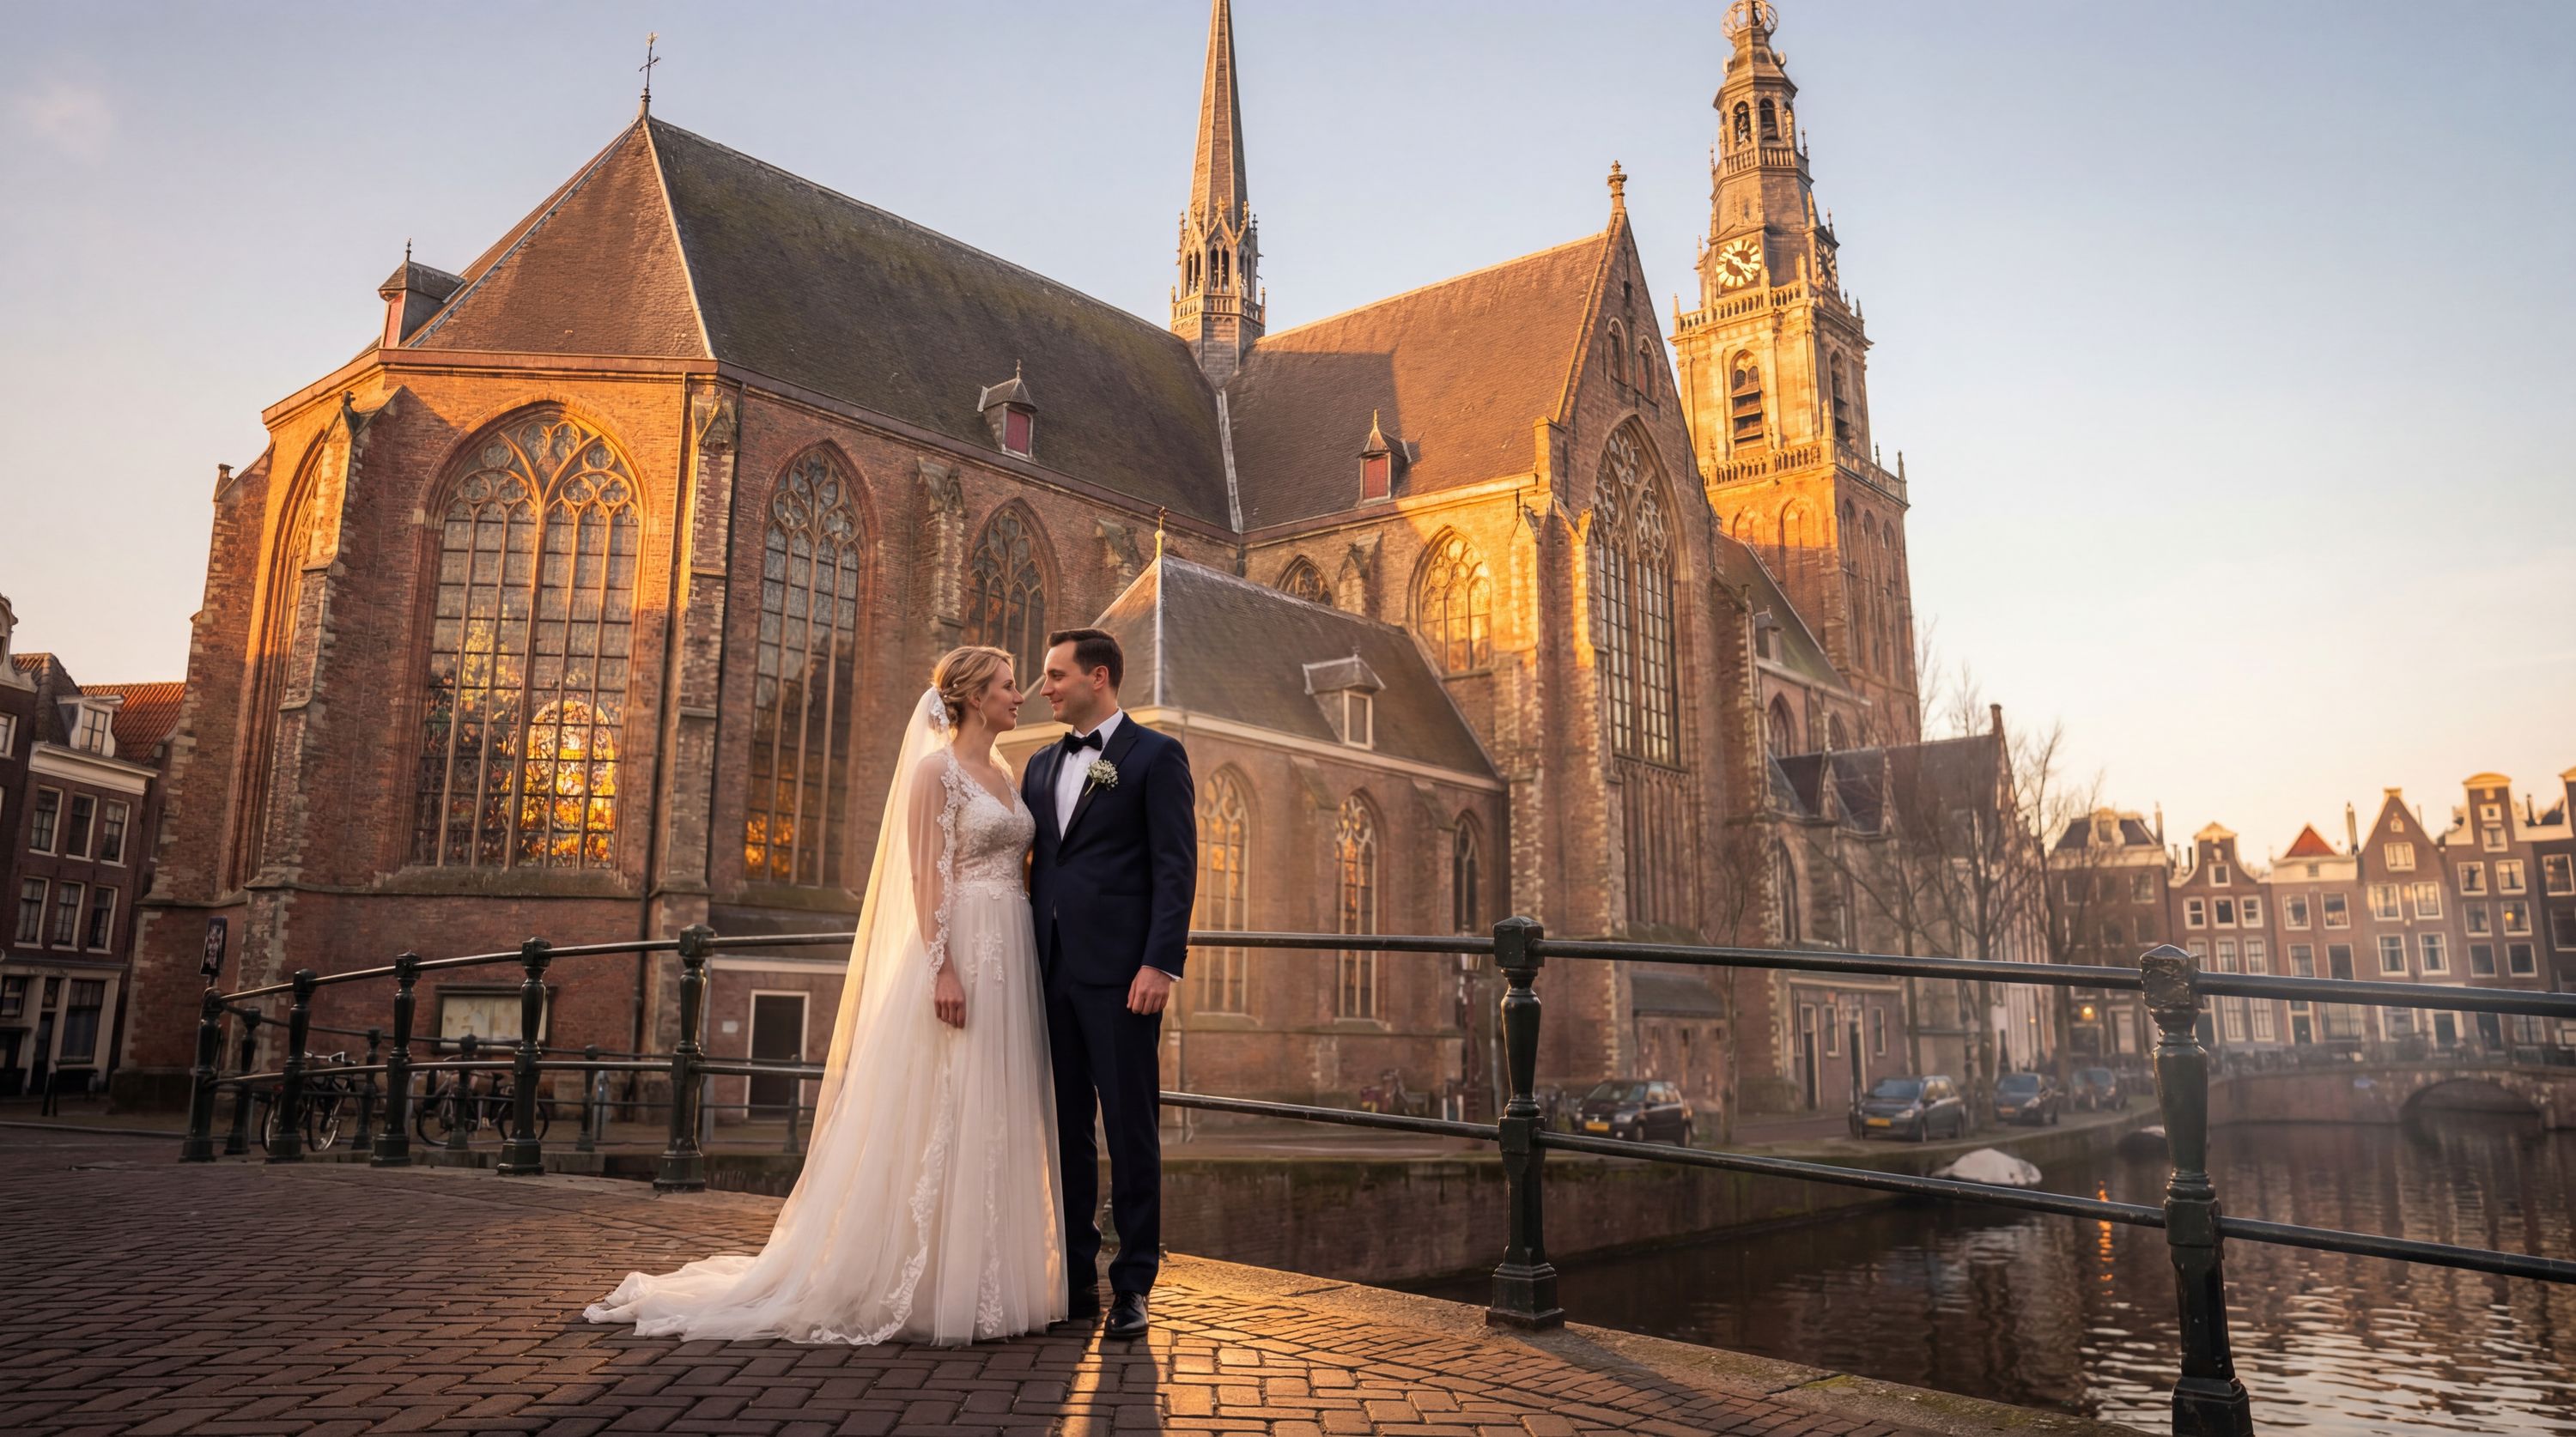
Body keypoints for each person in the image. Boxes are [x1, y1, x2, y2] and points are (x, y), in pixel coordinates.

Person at [584, 646, 1064, 1346]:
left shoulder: (1006, 773)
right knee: (947, 1102)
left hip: (1011, 949)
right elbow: (923, 880)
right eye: (1007, 685)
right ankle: (927, 1281)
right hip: (962, 945)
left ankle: (988, 1275)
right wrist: (942, 969)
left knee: (996, 1104)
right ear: (969, 696)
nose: (1019, 696)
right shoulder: (936, 774)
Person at [1023, 628, 1196, 1340]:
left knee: (1130, 1131)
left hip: (1124, 978)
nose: (1045, 688)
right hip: (1048, 972)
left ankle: (1133, 1286)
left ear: (1099, 677)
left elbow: (1175, 867)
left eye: (1056, 675)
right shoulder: (1036, 765)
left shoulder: (1155, 757)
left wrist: (1160, 963)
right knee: (1064, 1132)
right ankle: (1074, 1280)